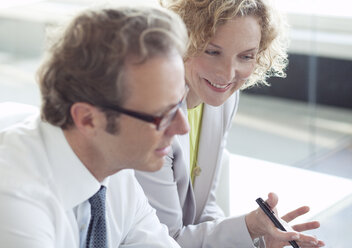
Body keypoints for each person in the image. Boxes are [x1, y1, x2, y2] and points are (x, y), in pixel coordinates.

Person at [135, 0, 325, 247]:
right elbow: (165, 239)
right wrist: (248, 227)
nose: (227, 74)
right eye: (212, 52)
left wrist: (259, 240)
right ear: (183, 41)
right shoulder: (152, 114)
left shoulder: (222, 99)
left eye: (245, 56)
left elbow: (203, 209)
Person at [0, 6, 189, 248]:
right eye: (162, 115)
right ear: (88, 119)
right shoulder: (16, 196)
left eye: (179, 103)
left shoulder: (115, 168)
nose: (183, 128)